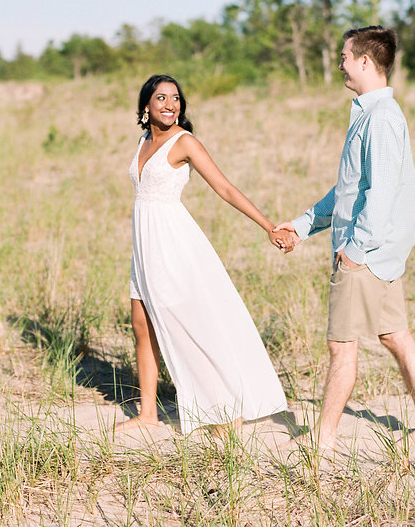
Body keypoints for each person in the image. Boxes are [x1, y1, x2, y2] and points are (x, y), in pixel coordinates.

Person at [274, 26, 415, 451]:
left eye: (345, 56)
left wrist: (353, 252)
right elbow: (349, 190)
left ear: (365, 61)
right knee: (395, 337)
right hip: (376, 253)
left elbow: (382, 194)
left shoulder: (382, 118)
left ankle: (324, 438)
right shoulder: (370, 115)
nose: (340, 64)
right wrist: (302, 226)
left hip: (365, 255)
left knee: (341, 348)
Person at [117, 74, 289, 436]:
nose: (170, 105)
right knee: (141, 326)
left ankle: (223, 408)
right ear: (146, 105)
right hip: (144, 246)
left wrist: (268, 226)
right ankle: (148, 412)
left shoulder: (185, 142)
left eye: (176, 98)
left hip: (172, 243)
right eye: (161, 98)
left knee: (188, 324)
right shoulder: (143, 140)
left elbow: (224, 187)